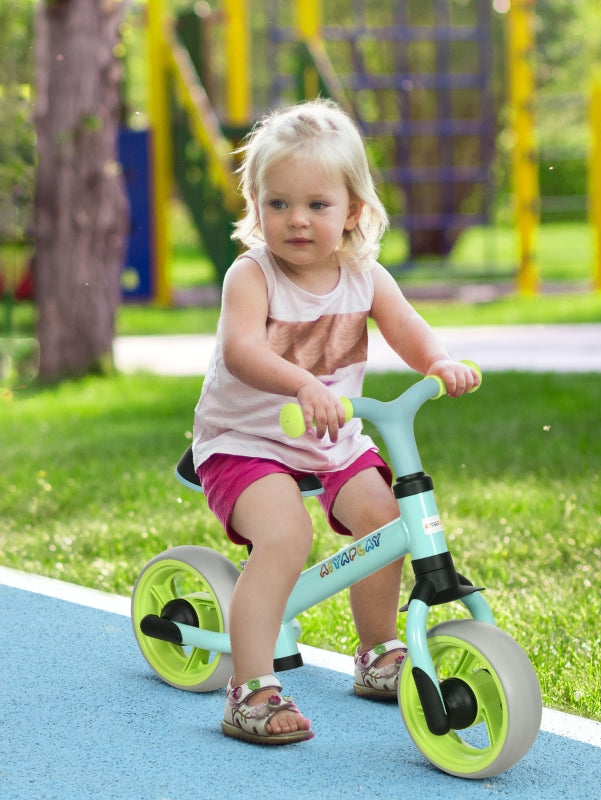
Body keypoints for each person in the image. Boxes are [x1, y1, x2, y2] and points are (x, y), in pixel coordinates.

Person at [192, 98, 479, 746]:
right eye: (278, 204)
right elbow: (242, 350)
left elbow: (405, 326)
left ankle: (378, 651)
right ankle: (252, 688)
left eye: (317, 206)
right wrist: (301, 383)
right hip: (247, 441)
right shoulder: (252, 275)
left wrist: (438, 360)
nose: (296, 220)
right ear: (256, 204)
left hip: (330, 438)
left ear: (352, 210)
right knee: (286, 536)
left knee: (388, 516)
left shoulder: (362, 274)